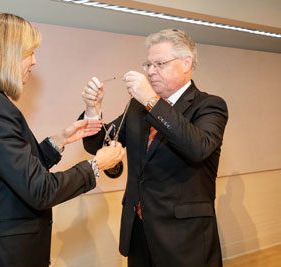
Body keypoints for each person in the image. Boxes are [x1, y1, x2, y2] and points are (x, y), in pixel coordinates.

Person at [0, 13, 125, 267]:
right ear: (8, 53)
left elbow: (14, 171)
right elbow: (40, 189)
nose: (34, 61)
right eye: (29, 52)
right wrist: (97, 165)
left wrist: (57, 141)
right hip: (2, 254)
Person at [81, 29, 228, 267]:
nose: (150, 71)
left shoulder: (209, 105)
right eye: (147, 64)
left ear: (186, 63)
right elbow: (100, 143)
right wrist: (92, 110)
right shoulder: (137, 108)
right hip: (139, 231)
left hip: (184, 237)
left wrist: (152, 101)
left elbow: (198, 147)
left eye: (159, 63)